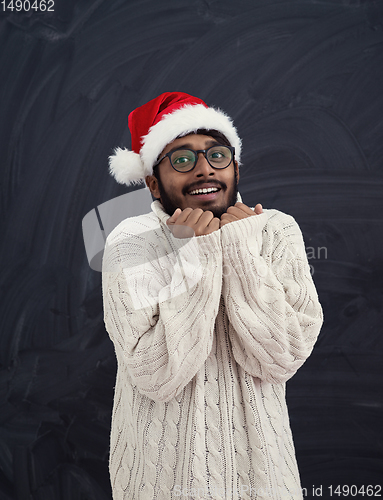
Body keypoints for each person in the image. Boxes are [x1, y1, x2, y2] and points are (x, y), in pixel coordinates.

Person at [102, 92, 323, 499]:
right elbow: (158, 374)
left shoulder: (275, 230)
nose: (205, 170)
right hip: (160, 483)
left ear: (236, 166)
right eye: (182, 160)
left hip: (264, 478)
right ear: (153, 182)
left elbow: (282, 356)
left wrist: (238, 249)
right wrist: (197, 255)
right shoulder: (130, 242)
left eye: (217, 155)